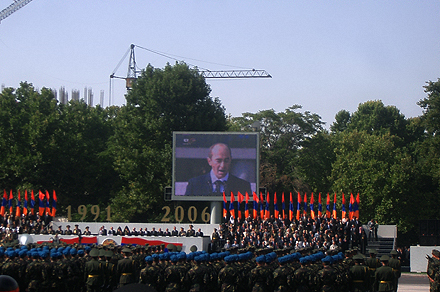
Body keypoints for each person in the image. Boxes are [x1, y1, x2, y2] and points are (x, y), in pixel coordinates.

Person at [184, 143, 252, 196]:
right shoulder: (195, 184)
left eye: (226, 160)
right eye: (218, 161)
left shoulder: (243, 186)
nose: (222, 166)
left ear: (231, 160)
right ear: (209, 161)